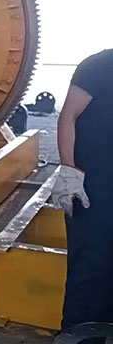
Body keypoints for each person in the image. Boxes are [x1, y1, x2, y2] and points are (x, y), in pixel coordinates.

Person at [52, 49, 113, 329]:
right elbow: (68, 117)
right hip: (93, 187)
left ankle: (104, 341)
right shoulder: (99, 66)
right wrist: (69, 170)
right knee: (91, 266)